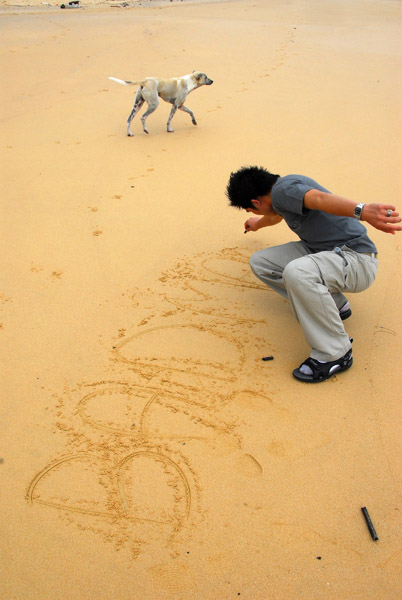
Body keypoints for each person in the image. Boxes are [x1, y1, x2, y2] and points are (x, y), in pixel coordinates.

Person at [226, 166, 402, 383]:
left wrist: (362, 210)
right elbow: (275, 216)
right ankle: (335, 305)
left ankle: (336, 351)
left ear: (256, 202)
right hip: (323, 252)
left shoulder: (283, 191)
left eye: (252, 211)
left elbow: (319, 199)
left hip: (356, 260)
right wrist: (257, 224)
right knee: (262, 263)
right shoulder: (280, 192)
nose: (255, 214)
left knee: (297, 272)